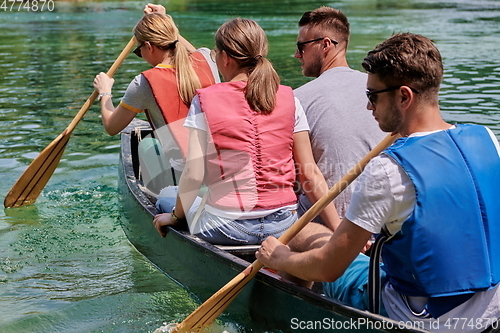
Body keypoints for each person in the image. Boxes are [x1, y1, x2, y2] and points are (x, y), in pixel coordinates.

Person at [256, 33, 500, 332]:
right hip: (489, 313)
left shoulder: (388, 168)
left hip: (418, 318)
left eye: (372, 96)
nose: (369, 107)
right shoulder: (487, 139)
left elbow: (329, 267)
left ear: (404, 97)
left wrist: (280, 258)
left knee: (303, 232)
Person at [152, 18, 339, 245]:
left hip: (227, 226)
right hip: (283, 224)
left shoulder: (204, 99)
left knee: (166, 196)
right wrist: (338, 230)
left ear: (226, 58)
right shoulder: (290, 98)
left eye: (215, 54)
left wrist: (174, 217)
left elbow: (193, 173)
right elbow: (310, 173)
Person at [93, 4, 219, 193]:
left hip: (187, 177)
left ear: (150, 47)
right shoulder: (207, 58)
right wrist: (165, 20)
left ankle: (159, 195)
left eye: (139, 51)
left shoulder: (144, 83)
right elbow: (188, 51)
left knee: (146, 144)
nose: (141, 56)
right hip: (220, 167)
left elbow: (111, 126)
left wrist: (105, 92)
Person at [293, 7, 385, 230]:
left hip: (327, 227)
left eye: (301, 47)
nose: (297, 55)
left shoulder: (297, 99)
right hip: (380, 220)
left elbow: (301, 174)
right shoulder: (382, 92)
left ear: (325, 44)